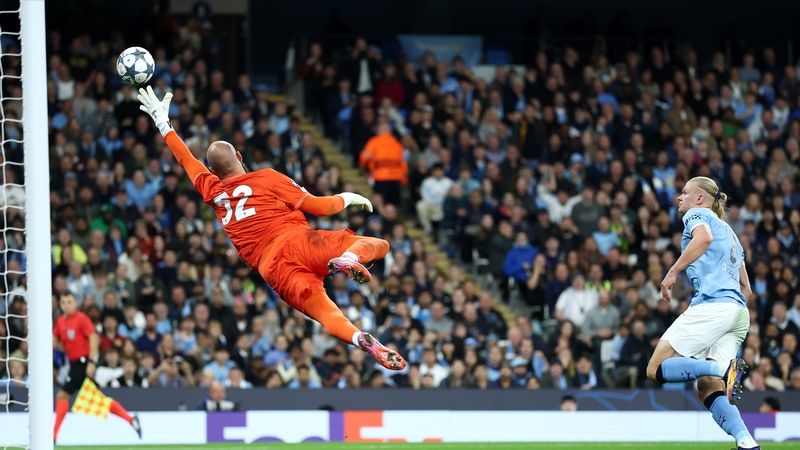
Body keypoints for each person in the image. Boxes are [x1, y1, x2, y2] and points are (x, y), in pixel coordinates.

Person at [137, 87, 405, 371]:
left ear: (214, 172)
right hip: (297, 242)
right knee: (380, 245)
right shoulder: (266, 177)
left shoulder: (211, 190)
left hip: (274, 269)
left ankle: (358, 337)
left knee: (327, 315)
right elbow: (320, 207)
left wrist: (162, 123)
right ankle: (349, 259)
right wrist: (349, 197)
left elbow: (186, 160)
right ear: (239, 156)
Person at [648, 177, 759, 450]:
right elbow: (747, 288)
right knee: (708, 387)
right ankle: (746, 442)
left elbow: (704, 238)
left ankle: (724, 369)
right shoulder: (731, 233)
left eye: (685, 192)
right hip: (737, 313)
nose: (680, 197)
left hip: (713, 306)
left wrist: (672, 272)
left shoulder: (699, 215)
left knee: (655, 368)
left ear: (700, 199)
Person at [53, 292, 141, 442]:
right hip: (73, 364)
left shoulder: (81, 318)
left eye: (69, 302)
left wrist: (91, 362)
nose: (66, 306)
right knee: (99, 399)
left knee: (63, 395)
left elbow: (93, 338)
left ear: (75, 303)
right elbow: (56, 340)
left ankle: (53, 436)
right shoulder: (60, 321)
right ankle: (131, 419)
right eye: (63, 303)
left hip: (82, 362)